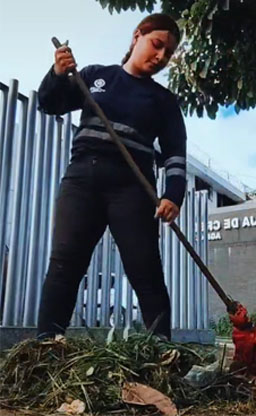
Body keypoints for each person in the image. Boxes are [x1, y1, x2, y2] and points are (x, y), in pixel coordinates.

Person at [35, 13, 186, 341]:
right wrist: (59, 73)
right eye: (156, 45)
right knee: (65, 264)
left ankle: (161, 352)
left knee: (146, 271)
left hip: (132, 188)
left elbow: (175, 155)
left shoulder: (164, 102)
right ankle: (45, 347)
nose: (161, 57)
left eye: (168, 53)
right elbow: (49, 103)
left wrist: (173, 194)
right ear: (137, 37)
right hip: (81, 181)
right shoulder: (94, 76)